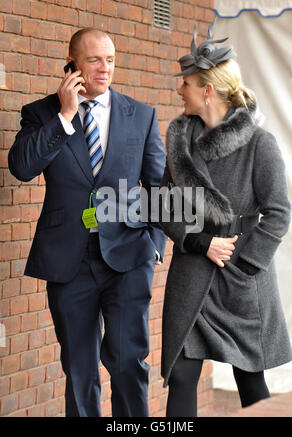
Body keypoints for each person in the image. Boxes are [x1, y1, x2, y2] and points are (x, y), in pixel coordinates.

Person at [8, 28, 167, 417]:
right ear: (73, 64)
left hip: (129, 257)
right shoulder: (41, 113)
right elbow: (22, 167)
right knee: (79, 368)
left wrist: (154, 245)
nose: (105, 68)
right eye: (95, 60)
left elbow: (160, 185)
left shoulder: (141, 115)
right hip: (69, 261)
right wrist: (65, 115)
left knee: (129, 362)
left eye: (110, 60)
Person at [159, 20, 292, 417]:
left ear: (207, 89)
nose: (179, 89)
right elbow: (165, 205)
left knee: (249, 379)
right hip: (192, 272)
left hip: (241, 279)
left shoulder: (259, 144)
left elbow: (278, 214)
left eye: (185, 82)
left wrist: (244, 263)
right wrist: (199, 242)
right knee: (182, 376)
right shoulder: (179, 142)